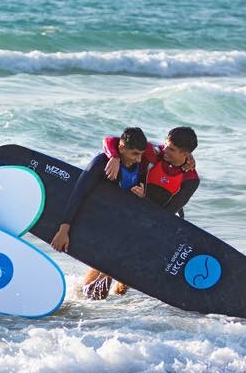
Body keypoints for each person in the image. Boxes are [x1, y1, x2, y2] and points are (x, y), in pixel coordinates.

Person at [50, 126, 200, 299]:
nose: (165, 149)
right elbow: (113, 141)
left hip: (154, 225)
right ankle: (87, 302)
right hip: (128, 215)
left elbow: (165, 215)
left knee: (124, 284)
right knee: (104, 276)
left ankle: (116, 312)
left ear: (185, 154)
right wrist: (114, 157)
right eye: (166, 145)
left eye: (172, 149)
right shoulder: (154, 153)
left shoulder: (190, 180)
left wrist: (144, 199)